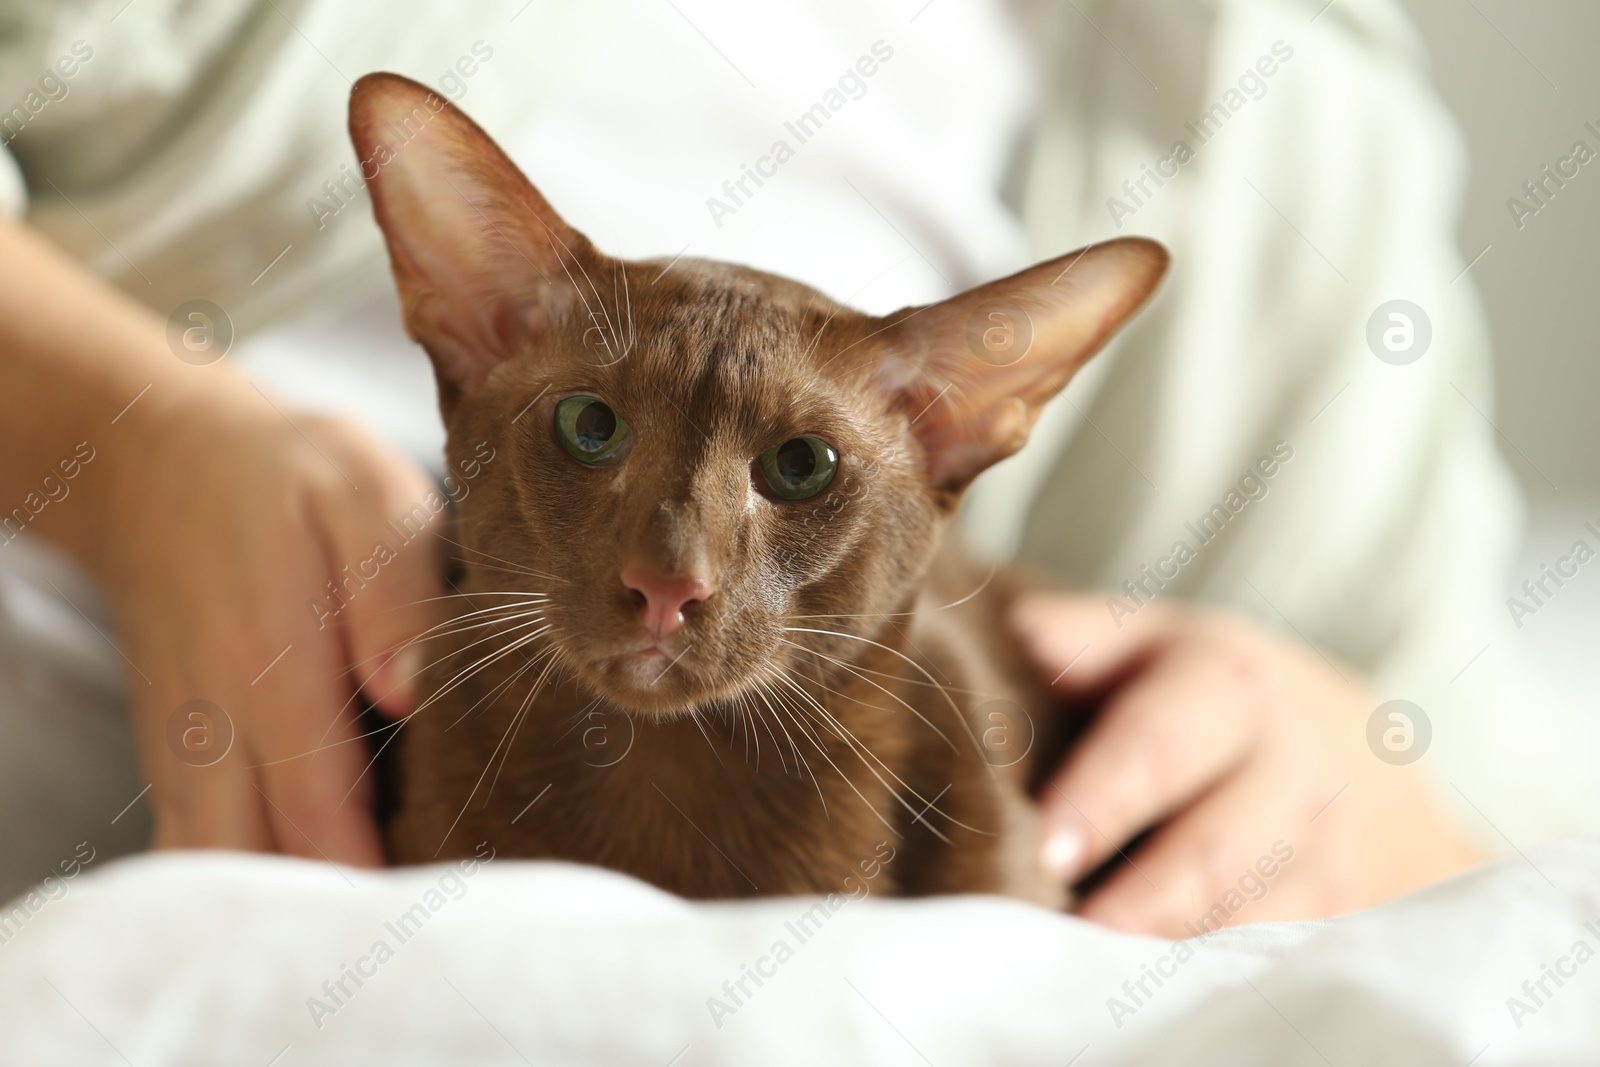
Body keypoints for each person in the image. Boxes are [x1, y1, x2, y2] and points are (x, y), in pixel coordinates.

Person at [0, 0, 1550, 932]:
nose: (673, 566)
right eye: (591, 433)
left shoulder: (1285, 88)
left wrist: (1357, 769)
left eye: (797, 474)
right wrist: (125, 442)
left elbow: (1484, 835)